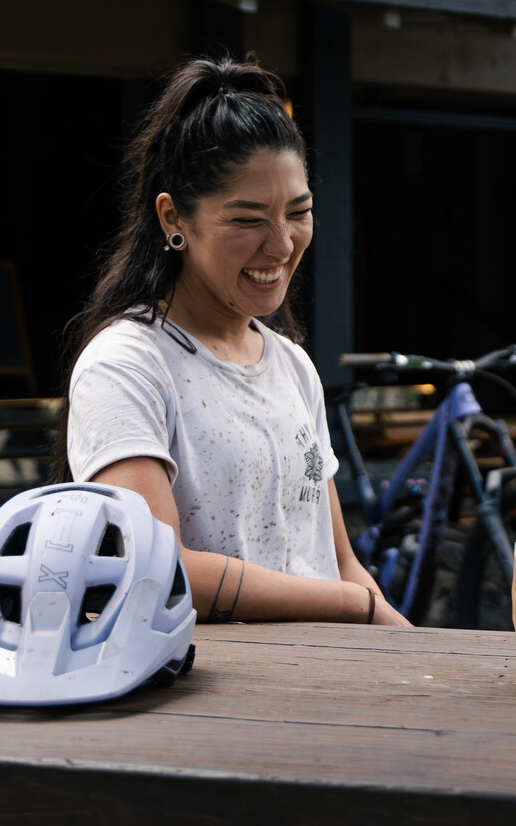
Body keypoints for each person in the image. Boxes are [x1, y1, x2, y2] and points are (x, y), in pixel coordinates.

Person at [63, 57, 410, 626]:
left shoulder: (293, 366)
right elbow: (156, 567)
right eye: (247, 220)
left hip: (323, 689)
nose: (280, 244)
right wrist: (354, 606)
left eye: (299, 212)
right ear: (173, 217)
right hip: (211, 703)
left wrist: (411, 648)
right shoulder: (127, 363)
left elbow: (339, 562)